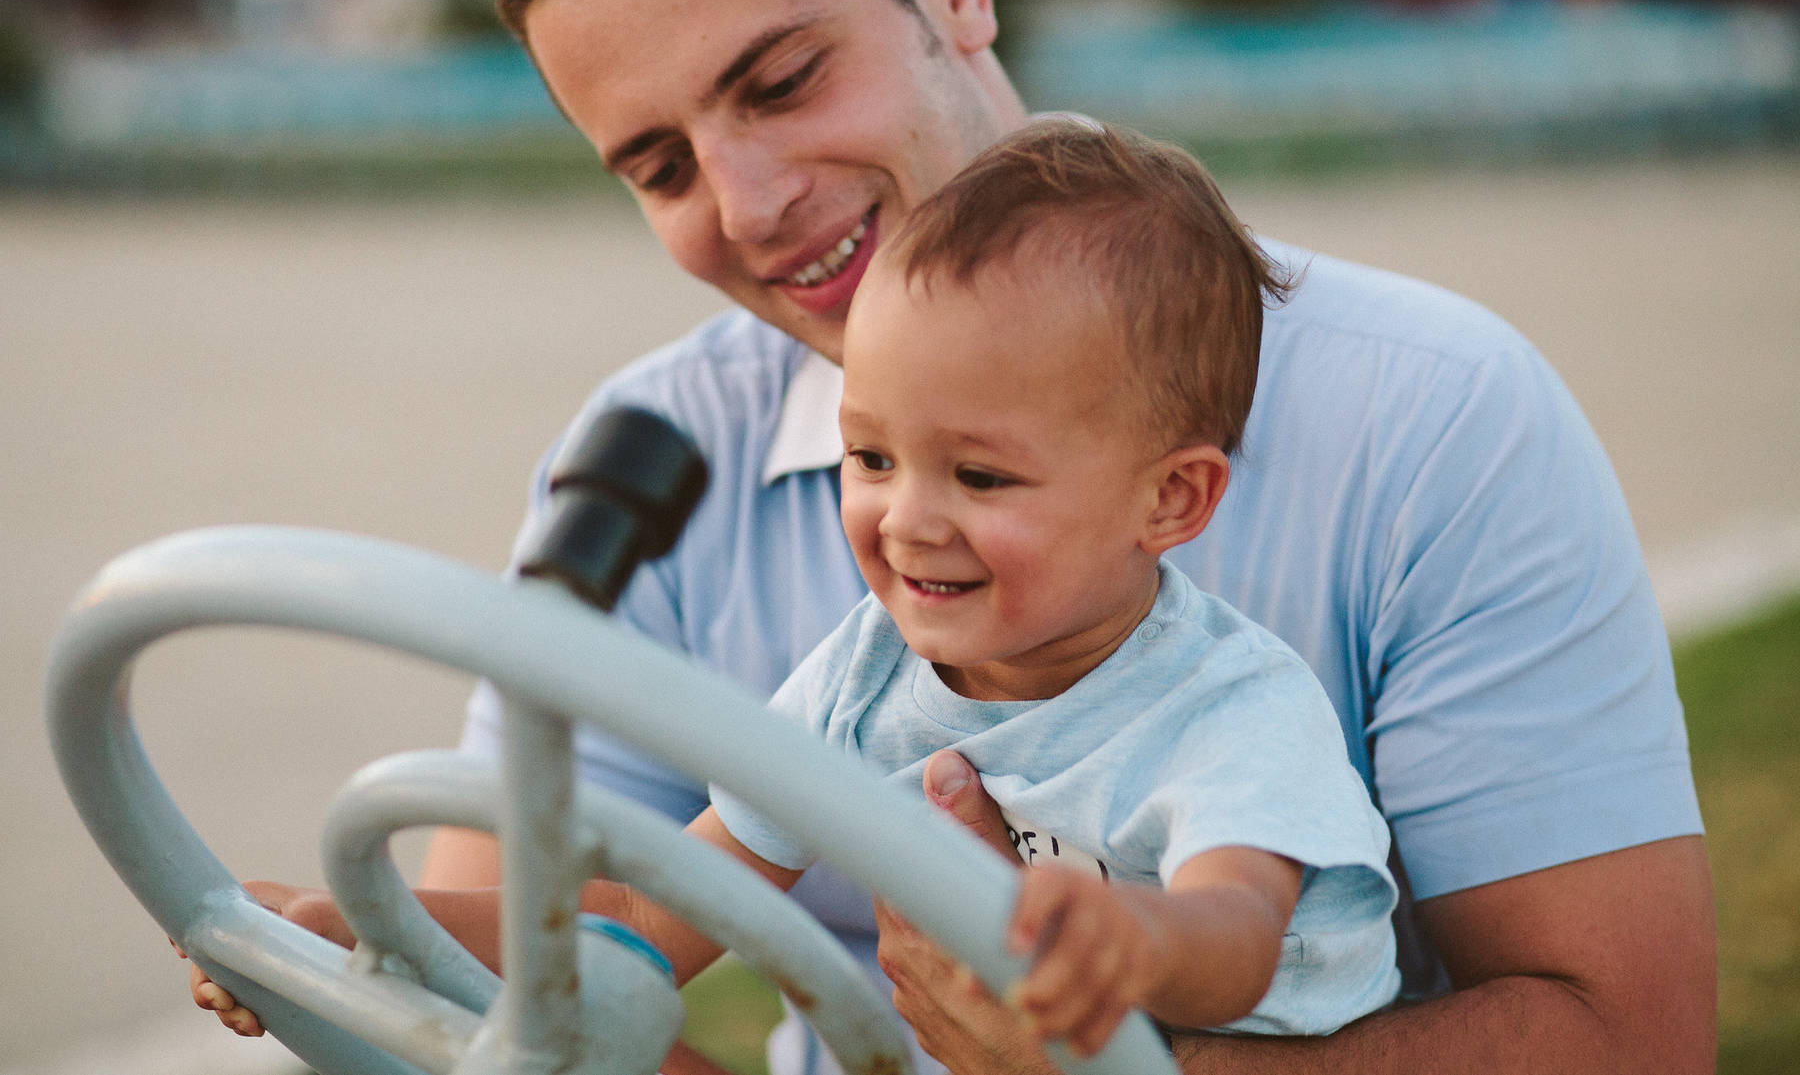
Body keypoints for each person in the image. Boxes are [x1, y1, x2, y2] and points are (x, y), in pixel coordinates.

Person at [208, 0, 1716, 1072]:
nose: (748, 204)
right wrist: (380, 940)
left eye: (783, 79)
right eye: (660, 165)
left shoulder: (1434, 418)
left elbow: (1631, 1030)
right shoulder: (650, 470)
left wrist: (1114, 1055)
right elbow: (577, 972)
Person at [192, 120, 1406, 1055]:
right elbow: (652, 915)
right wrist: (374, 932)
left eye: (979, 474)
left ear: (1173, 502)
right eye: (870, 457)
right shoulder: (867, 674)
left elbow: (1239, 939)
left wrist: (1128, 943)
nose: (905, 517)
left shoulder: (1233, 710)